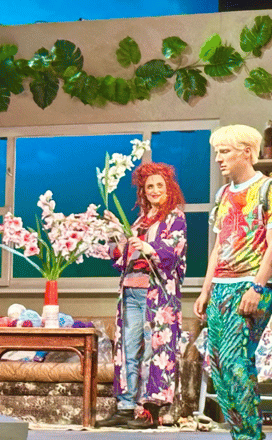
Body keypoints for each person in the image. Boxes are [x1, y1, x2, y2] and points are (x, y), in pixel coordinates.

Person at [194, 124, 272, 440]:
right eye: (217, 152)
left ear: (246, 152)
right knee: (219, 367)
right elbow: (218, 247)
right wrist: (205, 289)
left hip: (249, 285)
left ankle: (250, 436)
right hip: (221, 287)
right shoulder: (222, 194)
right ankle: (239, 434)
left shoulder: (268, 188)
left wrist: (257, 287)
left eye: (225, 151)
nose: (218, 159)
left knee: (236, 364)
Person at [96, 162, 188, 429]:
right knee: (127, 350)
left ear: (169, 188)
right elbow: (122, 256)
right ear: (143, 192)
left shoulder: (175, 218)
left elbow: (173, 252)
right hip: (131, 291)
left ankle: (150, 411)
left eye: (160, 185)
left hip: (155, 294)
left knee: (152, 350)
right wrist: (117, 232)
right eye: (150, 187)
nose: (155, 190)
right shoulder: (140, 220)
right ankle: (125, 408)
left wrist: (148, 246)